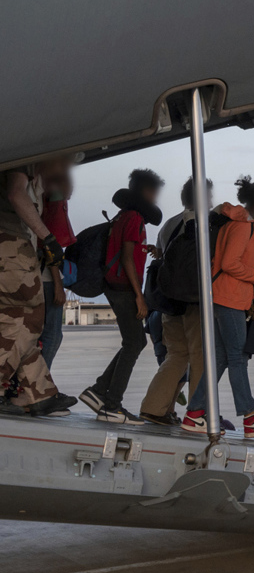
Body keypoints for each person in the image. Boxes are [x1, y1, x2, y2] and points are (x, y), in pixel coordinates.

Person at [181, 177, 254, 438]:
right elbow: (230, 263)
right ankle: (250, 419)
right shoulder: (243, 227)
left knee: (220, 358)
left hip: (227, 297)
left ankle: (194, 414)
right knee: (238, 358)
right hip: (227, 298)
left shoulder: (242, 224)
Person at [80, 169, 164, 424]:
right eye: (154, 192)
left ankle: (98, 392)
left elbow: (126, 250)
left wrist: (145, 248)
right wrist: (140, 296)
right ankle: (111, 404)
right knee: (134, 343)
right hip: (124, 289)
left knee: (135, 342)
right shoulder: (135, 218)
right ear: (146, 192)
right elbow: (127, 258)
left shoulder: (123, 216)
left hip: (114, 286)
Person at [0, 159, 76, 417]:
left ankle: (40, 392)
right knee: (29, 319)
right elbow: (15, 193)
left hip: (9, 247)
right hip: (10, 245)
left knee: (20, 324)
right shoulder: (23, 157)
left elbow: (63, 192)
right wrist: (47, 237)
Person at [138, 178, 212, 427]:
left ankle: (153, 407)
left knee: (176, 355)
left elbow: (162, 257)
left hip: (169, 300)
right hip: (195, 299)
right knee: (201, 357)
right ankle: (197, 413)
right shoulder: (206, 222)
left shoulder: (169, 224)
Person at [38, 166, 75, 368]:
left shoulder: (40, 197)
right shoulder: (54, 199)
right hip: (46, 276)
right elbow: (49, 242)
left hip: (39, 272)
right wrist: (58, 284)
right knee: (52, 335)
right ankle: (41, 386)